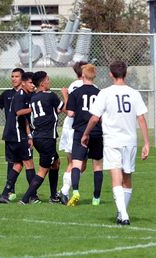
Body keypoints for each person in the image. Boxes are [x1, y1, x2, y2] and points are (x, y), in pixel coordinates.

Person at [82, 60, 149, 225]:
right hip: (130, 140)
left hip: (112, 139)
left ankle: (123, 215)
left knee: (116, 178)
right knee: (127, 178)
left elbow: (94, 118)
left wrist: (85, 134)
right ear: (125, 73)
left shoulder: (105, 93)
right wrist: (146, 142)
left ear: (111, 74)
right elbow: (141, 117)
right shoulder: (134, 93)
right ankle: (122, 214)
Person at [19, 71, 66, 204]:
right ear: (42, 83)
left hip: (38, 137)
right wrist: (66, 96)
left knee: (56, 163)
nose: (49, 82)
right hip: (47, 138)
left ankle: (53, 196)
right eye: (47, 80)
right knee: (42, 170)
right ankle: (25, 199)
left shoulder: (34, 97)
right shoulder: (50, 95)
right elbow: (65, 109)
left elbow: (50, 112)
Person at [0, 72, 39, 204]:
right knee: (29, 163)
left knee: (17, 164)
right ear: (24, 83)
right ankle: (32, 196)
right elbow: (19, 112)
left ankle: (4, 194)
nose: (34, 85)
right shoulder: (20, 95)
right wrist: (34, 108)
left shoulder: (24, 95)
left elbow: (24, 119)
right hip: (17, 136)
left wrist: (29, 135)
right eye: (31, 83)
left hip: (14, 135)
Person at [66, 64, 103, 207]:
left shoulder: (76, 92)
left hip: (81, 131)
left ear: (82, 75)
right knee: (97, 165)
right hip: (97, 131)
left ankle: (75, 191)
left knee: (76, 163)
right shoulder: (100, 93)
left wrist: (77, 112)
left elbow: (70, 113)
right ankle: (96, 198)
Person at [0, 68, 24, 201]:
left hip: (23, 134)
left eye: (17, 76)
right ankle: (10, 191)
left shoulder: (26, 94)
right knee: (12, 162)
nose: (14, 79)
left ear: (22, 79)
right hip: (10, 133)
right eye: (12, 76)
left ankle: (32, 193)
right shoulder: (7, 94)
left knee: (26, 162)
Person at [58, 61, 88, 204]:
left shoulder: (75, 86)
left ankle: (64, 190)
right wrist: (66, 98)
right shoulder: (79, 86)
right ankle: (63, 192)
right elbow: (68, 110)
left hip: (76, 127)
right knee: (75, 163)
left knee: (79, 164)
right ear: (82, 72)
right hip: (76, 128)